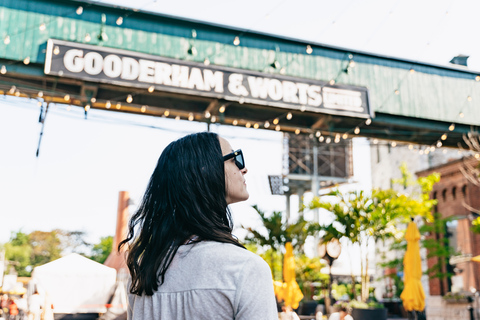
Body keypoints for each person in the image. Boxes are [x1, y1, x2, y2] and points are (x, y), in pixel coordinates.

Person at [120, 132, 278, 320]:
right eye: (235, 158)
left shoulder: (143, 272)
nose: (243, 169)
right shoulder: (245, 269)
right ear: (205, 170)